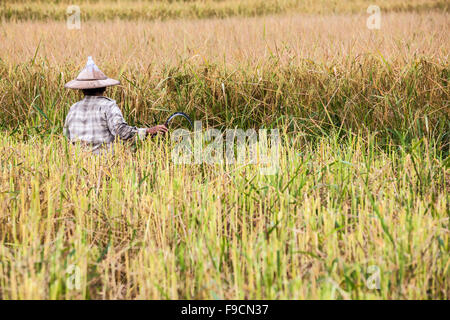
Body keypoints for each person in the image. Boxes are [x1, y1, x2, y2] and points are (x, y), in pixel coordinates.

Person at [63, 56, 167, 154]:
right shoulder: (108, 106)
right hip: (103, 164)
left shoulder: (73, 108)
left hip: (77, 163)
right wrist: (149, 131)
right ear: (104, 87)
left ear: (82, 89)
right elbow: (121, 132)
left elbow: (67, 136)